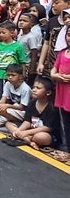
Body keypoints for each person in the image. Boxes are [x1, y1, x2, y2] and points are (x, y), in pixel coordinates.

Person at [3, 76, 60, 150]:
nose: (34, 90)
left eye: (38, 88)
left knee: (39, 137)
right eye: (34, 87)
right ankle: (30, 142)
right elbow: (27, 121)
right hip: (31, 130)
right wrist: (19, 130)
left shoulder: (52, 107)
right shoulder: (32, 103)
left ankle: (26, 138)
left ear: (48, 92)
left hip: (46, 134)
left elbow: (48, 128)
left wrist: (26, 133)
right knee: (8, 124)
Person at [0, 64, 31, 130]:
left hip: (24, 112)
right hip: (13, 110)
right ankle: (10, 121)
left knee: (3, 110)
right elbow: (1, 102)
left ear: (20, 76)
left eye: (13, 75)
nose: (10, 77)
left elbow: (23, 107)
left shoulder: (26, 88)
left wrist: (8, 106)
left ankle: (17, 122)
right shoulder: (8, 84)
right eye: (8, 75)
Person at [37, 0, 70, 77]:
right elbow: (46, 43)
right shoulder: (52, 21)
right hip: (52, 64)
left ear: (68, 4)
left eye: (56, 2)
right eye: (52, 3)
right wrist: (41, 63)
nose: (53, 6)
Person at [0, 20, 26, 100]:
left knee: (12, 97)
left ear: (11, 33)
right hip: (0, 75)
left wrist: (23, 75)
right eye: (0, 32)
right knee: (1, 96)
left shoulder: (18, 46)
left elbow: (22, 62)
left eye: (3, 33)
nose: (1, 35)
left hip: (14, 75)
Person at [51, 24, 70, 158]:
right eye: (69, 34)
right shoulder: (63, 52)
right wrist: (55, 75)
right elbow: (54, 68)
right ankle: (67, 149)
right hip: (63, 91)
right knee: (66, 123)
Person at [17, 13, 39, 87]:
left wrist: (31, 70)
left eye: (25, 21)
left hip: (27, 65)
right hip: (19, 64)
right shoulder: (19, 35)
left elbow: (34, 53)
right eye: (20, 20)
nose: (21, 22)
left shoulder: (31, 37)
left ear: (31, 24)